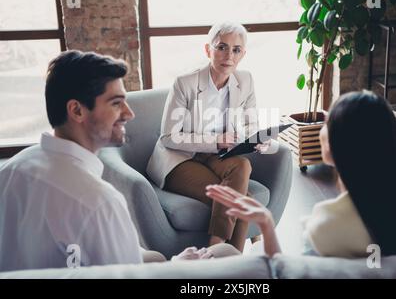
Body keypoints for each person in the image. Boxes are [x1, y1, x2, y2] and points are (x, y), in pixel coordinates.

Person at [0, 50, 238, 272]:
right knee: (225, 252)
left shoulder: (11, 169)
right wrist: (177, 266)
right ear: (77, 111)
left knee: (152, 256)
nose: (129, 113)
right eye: (116, 103)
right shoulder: (99, 201)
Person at [206, 91, 396, 258]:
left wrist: (265, 231)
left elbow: (292, 274)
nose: (321, 128)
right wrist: (266, 223)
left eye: (328, 122)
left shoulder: (327, 222)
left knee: (224, 253)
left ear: (339, 144)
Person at [147, 22, 274, 252]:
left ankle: (220, 257)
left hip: (218, 155)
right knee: (240, 198)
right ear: (208, 50)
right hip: (179, 158)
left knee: (242, 166)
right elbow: (168, 136)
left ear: (243, 54)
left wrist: (257, 139)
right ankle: (224, 253)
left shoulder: (245, 81)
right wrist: (216, 141)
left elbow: (250, 122)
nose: (229, 56)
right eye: (222, 47)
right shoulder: (185, 83)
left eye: (236, 50)